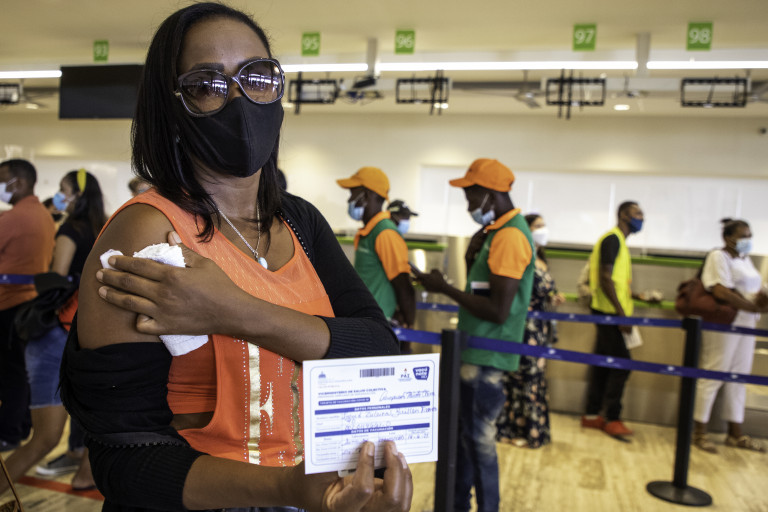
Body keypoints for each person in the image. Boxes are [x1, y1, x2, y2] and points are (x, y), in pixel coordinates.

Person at [59, 4, 412, 511]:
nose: (239, 99)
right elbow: (124, 459)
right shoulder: (146, 234)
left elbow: (378, 348)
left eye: (258, 77)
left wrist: (233, 311)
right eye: (207, 85)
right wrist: (284, 488)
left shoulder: (299, 221)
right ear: (170, 106)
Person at [412, 158, 534, 512]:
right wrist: (470, 256)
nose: (468, 204)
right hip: (474, 352)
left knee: (479, 441)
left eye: (472, 195)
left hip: (486, 358)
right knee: (466, 438)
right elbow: (482, 290)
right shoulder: (497, 233)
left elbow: (497, 310)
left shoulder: (510, 236)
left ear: (491, 195)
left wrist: (444, 288)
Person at [0, 169, 103, 495]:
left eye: (63, 189)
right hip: (87, 333)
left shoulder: (70, 230)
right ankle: (84, 475)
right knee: (96, 420)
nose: (59, 196)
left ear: (77, 195)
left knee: (44, 438)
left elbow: (56, 278)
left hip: (57, 330)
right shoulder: (104, 229)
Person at [693, 218, 767, 453]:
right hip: (725, 323)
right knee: (713, 373)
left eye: (749, 235)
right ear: (728, 237)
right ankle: (700, 432)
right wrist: (751, 306)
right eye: (742, 236)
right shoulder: (718, 256)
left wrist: (760, 301)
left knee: (739, 378)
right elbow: (720, 290)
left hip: (747, 324)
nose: (747, 240)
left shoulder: (744, 259)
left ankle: (735, 434)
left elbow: (753, 289)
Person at [0, 159, 56, 453]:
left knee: (10, 373)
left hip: (8, 303)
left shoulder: (13, 218)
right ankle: (19, 427)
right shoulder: (43, 215)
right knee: (19, 371)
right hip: (29, 303)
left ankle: (8, 432)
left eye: (2, 179)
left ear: (18, 182)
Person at [496, 213, 564, 449]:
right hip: (523, 328)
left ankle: (533, 431)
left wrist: (553, 298)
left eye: (544, 225)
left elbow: (542, 291)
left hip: (540, 329)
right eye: (538, 226)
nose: (543, 230)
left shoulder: (541, 259)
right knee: (521, 378)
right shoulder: (523, 258)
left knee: (535, 379)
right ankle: (515, 429)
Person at [581, 201, 647, 438]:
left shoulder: (618, 241)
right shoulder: (612, 239)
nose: (641, 217)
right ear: (623, 215)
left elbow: (616, 282)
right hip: (609, 313)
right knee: (622, 365)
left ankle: (592, 414)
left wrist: (635, 296)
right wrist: (621, 314)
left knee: (603, 364)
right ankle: (612, 417)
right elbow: (605, 278)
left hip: (609, 310)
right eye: (637, 213)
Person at [337, 167, 416, 329]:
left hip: (377, 324)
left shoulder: (385, 233)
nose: (349, 200)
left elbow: (402, 283)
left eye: (352, 193)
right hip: (365, 320)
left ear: (366, 195)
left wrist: (408, 327)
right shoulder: (371, 231)